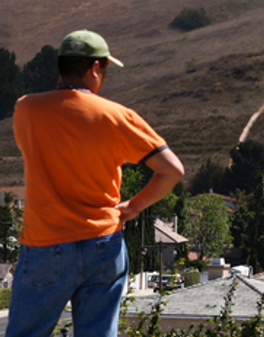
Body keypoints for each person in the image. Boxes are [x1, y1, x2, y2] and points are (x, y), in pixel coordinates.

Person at [8, 30, 184, 337]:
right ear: (94, 69)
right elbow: (172, 170)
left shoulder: (26, 109)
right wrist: (134, 206)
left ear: (61, 67)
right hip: (104, 243)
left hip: (45, 245)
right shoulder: (117, 116)